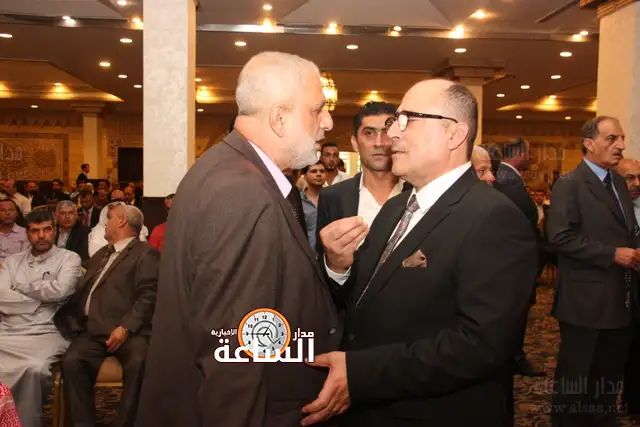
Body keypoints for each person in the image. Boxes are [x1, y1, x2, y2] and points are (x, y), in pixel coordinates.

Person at [308, 79, 538, 427]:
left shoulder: (494, 217)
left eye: (407, 120)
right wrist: (338, 267)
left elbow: (481, 346)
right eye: (393, 122)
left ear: (454, 134)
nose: (391, 134)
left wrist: (362, 371)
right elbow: (364, 298)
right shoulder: (396, 207)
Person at [135, 51, 341, 427]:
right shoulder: (243, 191)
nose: (327, 121)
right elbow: (233, 351)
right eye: (317, 109)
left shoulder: (228, 168)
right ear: (279, 118)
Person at [547, 116, 639, 427]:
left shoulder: (619, 183)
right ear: (589, 144)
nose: (621, 145)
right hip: (584, 302)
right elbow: (560, 237)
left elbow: (626, 232)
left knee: (608, 380)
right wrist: (612, 254)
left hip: (621, 299)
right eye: (612, 139)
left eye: (622, 138)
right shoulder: (569, 184)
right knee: (576, 382)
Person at [55, 204, 158, 427]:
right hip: (93, 330)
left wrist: (126, 327)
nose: (104, 223)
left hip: (129, 333)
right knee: (72, 361)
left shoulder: (145, 253)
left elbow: (149, 295)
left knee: (139, 362)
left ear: (121, 221)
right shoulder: (103, 253)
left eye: (109, 219)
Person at [0, 210, 82, 427]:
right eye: (35, 231)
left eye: (47, 229)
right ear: (27, 234)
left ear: (55, 231)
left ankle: (24, 423)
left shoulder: (69, 258)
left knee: (34, 367)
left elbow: (62, 290)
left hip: (48, 331)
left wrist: (19, 288)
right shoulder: (13, 261)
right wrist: (40, 300)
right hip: (9, 330)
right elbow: (1, 296)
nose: (42, 235)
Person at [315, 101, 410, 261]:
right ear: (354, 143)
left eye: (386, 132)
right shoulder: (333, 197)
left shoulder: (419, 193)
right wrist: (336, 268)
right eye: (369, 133)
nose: (379, 143)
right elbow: (321, 261)